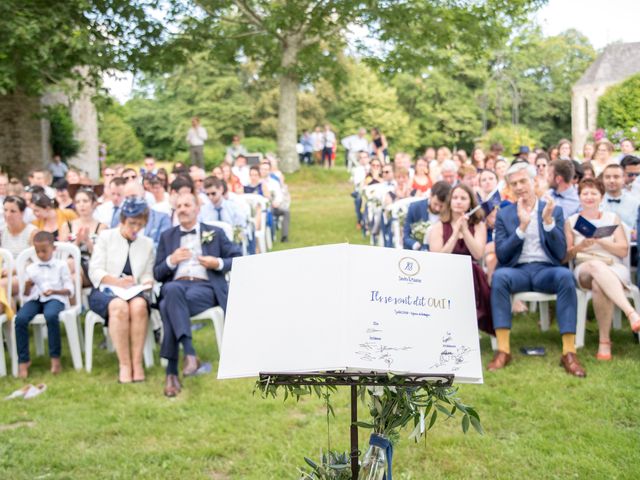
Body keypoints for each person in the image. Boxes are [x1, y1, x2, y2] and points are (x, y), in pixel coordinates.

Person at [489, 162, 586, 377]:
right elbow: (503, 255)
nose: (519, 186)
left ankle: (569, 352)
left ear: (534, 181)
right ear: (510, 188)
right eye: (514, 183)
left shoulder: (553, 209)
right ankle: (503, 350)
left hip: (546, 270)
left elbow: (561, 253)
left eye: (523, 181)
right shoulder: (504, 215)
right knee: (499, 277)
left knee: (565, 276)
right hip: (518, 270)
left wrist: (549, 222)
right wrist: (521, 228)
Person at [154, 192, 242, 397]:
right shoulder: (167, 236)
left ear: (197, 209)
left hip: (205, 289)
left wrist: (217, 263)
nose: (182, 209)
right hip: (178, 286)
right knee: (172, 294)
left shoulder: (215, 232)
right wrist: (171, 261)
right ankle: (189, 356)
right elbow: (157, 273)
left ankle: (172, 371)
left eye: (187, 205)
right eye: (179, 206)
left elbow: (238, 258)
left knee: (168, 305)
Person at [564, 178, 638, 360]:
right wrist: (581, 246)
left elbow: (623, 249)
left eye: (594, 193)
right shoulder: (572, 221)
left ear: (601, 197)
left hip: (614, 267)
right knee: (595, 267)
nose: (589, 197)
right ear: (579, 197)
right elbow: (566, 256)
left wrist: (602, 242)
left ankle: (604, 342)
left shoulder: (612, 219)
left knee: (599, 283)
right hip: (584, 268)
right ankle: (631, 313)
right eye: (585, 193)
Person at [88, 197, 155, 383]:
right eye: (132, 223)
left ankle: (137, 362)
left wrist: (147, 283)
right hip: (106, 290)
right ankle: (124, 365)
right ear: (123, 220)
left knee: (139, 306)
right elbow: (95, 270)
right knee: (119, 307)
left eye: (140, 225)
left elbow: (148, 273)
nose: (135, 228)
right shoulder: (106, 237)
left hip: (134, 291)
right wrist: (116, 282)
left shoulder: (147, 243)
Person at [430, 184, 493, 334]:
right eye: (455, 198)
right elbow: (437, 258)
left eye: (463, 198)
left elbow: (478, 254)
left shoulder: (478, 225)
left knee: (469, 270)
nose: (458, 201)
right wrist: (454, 233)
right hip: (444, 273)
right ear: (450, 202)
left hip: (471, 275)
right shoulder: (439, 226)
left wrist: (465, 231)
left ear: (470, 203)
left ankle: (467, 327)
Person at [15, 231, 74, 378]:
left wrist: (54, 291)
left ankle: (55, 358)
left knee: (51, 316)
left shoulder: (61, 265)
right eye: (38, 251)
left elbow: (70, 290)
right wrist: (28, 285)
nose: (41, 254)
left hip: (55, 297)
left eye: (44, 251)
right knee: (20, 319)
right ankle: (23, 360)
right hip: (35, 299)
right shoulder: (31, 268)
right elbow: (26, 294)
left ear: (53, 249)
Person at [59, 189, 107, 287]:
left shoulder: (102, 227)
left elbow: (102, 255)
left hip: (92, 265)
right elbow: (61, 253)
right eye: (78, 202)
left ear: (93, 203)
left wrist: (87, 241)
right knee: (74, 277)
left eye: (85, 201)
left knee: (71, 264)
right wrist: (77, 241)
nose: (81, 205)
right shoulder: (67, 226)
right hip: (71, 266)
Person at [402, 181, 451, 251]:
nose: (437, 208)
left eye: (441, 206)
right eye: (435, 204)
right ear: (430, 195)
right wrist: (415, 244)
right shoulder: (415, 207)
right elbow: (406, 236)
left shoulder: (450, 212)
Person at [123, 181, 171, 247]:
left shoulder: (162, 218)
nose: (131, 201)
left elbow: (163, 246)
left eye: (133, 196)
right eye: (127, 198)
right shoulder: (121, 219)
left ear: (144, 195)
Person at [600, 164, 640, 230]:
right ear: (602, 179)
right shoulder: (595, 201)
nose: (611, 180)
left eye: (616, 177)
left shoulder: (635, 203)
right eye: (607, 177)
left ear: (623, 178)